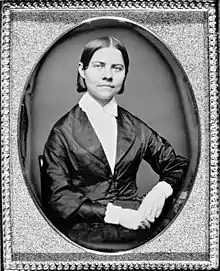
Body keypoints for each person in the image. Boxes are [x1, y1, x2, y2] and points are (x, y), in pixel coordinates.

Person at [42, 36, 189, 252]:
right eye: (99, 66)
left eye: (117, 68)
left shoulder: (136, 127)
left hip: (139, 223)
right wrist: (117, 216)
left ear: (125, 74)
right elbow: (59, 197)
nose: (108, 75)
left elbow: (177, 164)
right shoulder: (62, 132)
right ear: (82, 70)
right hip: (85, 231)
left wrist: (161, 190)